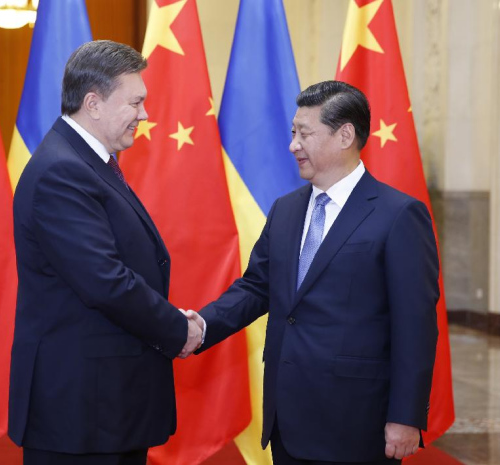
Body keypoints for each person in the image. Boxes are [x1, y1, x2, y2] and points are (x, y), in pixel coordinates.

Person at [188, 80, 439, 465]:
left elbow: (415, 325)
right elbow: (256, 287)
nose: (293, 145)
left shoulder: (398, 215)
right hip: (286, 418)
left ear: (344, 135)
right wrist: (201, 326)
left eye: (304, 133)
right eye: (293, 132)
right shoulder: (286, 209)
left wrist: (405, 417)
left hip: (356, 422)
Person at [8, 40, 203, 465]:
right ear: (93, 103)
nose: (145, 115)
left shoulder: (86, 162)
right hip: (80, 413)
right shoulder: (62, 171)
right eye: (135, 102)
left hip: (105, 407)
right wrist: (177, 329)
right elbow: (106, 282)